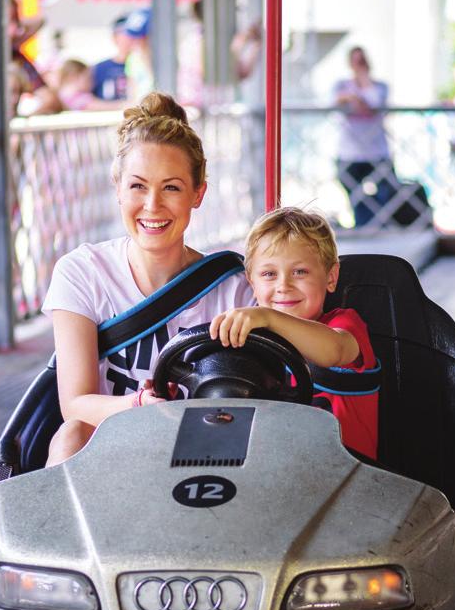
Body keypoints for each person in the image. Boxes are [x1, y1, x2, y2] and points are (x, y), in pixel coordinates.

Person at [41, 92, 254, 465]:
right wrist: (138, 405)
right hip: (116, 448)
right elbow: (74, 403)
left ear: (197, 193)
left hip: (205, 454)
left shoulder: (233, 287)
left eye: (171, 187)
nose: (152, 205)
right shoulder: (82, 272)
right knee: (71, 435)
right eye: (138, 186)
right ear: (118, 189)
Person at [210, 207, 378, 459]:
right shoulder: (251, 342)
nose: (283, 286)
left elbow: (335, 350)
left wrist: (268, 317)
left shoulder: (345, 324)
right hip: (274, 468)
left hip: (345, 474)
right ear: (252, 282)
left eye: (300, 272)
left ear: (331, 277)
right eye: (268, 274)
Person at [333, 46, 396, 228]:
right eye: (356, 61)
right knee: (354, 192)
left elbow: (374, 104)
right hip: (349, 151)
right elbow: (335, 101)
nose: (359, 65)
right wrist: (355, 97)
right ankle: (362, 223)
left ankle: (379, 224)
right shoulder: (341, 85)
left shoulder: (380, 86)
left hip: (377, 151)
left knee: (386, 191)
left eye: (362, 61)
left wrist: (363, 83)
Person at [56, 58, 125, 112]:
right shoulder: (72, 96)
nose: (92, 81)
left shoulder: (64, 94)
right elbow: (96, 106)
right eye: (87, 78)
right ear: (73, 77)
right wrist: (123, 105)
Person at [91, 15, 131, 101]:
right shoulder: (99, 69)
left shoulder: (144, 67)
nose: (131, 38)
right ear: (114, 38)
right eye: (126, 34)